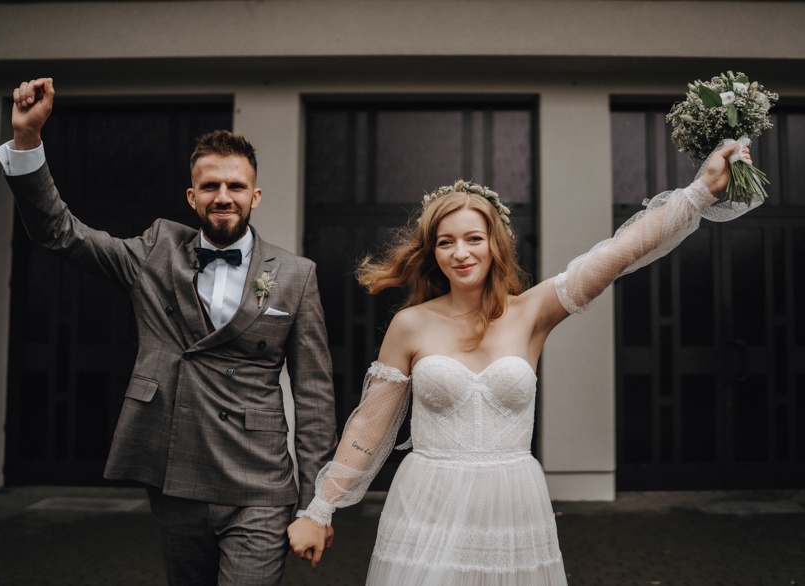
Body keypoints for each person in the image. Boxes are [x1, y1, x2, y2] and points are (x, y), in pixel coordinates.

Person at [287, 140, 755, 584]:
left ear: (495, 244)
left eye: (473, 238)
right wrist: (319, 510)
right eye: (446, 242)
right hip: (427, 502)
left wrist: (701, 190)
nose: (460, 253)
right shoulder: (410, 324)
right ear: (433, 251)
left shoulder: (533, 312)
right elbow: (369, 427)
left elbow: (620, 253)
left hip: (511, 503)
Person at [0, 78, 337, 586]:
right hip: (177, 472)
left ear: (256, 195)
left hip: (260, 481)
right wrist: (28, 139)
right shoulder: (156, 251)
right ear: (192, 196)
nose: (224, 197)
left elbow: (314, 397)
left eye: (236, 187)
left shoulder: (295, 274)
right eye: (211, 187)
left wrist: (317, 505)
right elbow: (60, 232)